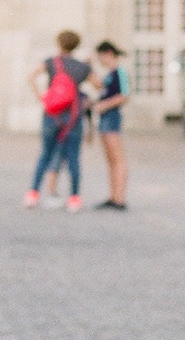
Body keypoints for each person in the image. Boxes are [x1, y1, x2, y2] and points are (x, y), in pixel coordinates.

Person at [24, 30, 90, 212]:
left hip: (51, 115)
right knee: (73, 158)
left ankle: (33, 194)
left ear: (59, 43)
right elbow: (99, 84)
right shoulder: (82, 67)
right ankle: (74, 198)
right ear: (76, 46)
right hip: (73, 117)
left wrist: (41, 97)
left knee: (45, 154)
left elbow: (31, 77)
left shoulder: (51, 62)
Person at [92, 40, 129, 209]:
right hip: (105, 118)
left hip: (112, 117)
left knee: (118, 159)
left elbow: (124, 96)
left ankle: (119, 198)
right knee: (110, 159)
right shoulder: (110, 74)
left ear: (108, 54)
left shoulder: (120, 72)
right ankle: (113, 195)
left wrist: (103, 105)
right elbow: (102, 88)